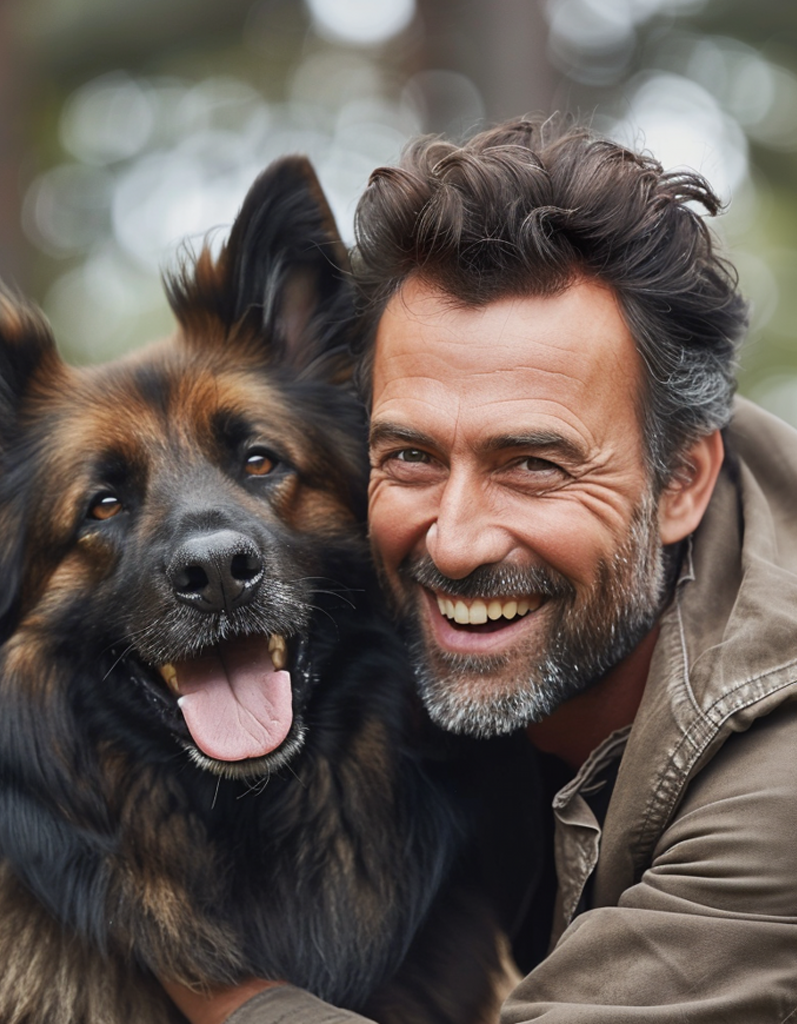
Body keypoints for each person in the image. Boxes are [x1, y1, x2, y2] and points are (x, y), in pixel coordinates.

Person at [165, 117, 797, 1022]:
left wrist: (225, 994)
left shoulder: (780, 781)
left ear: (680, 483)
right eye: (411, 457)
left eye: (534, 466)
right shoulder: (351, 572)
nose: (454, 542)